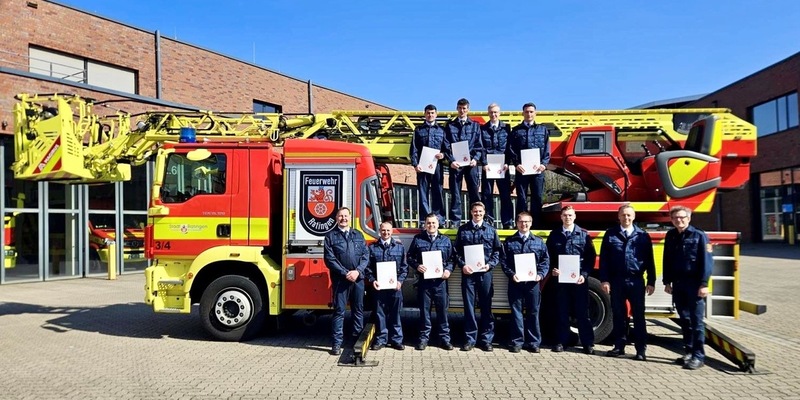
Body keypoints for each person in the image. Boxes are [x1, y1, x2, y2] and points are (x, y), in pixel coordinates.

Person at [599, 204, 656, 361]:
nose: (626, 218)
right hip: (617, 280)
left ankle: (640, 350)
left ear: (634, 217)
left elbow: (650, 260)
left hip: (636, 280)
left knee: (638, 316)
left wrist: (651, 281)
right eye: (623, 215)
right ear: (618, 217)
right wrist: (604, 279)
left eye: (629, 215)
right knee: (619, 315)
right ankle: (619, 346)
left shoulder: (642, 236)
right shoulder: (611, 234)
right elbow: (604, 260)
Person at [663, 205, 714, 370]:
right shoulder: (671, 236)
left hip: (694, 285)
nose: (679, 220)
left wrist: (704, 284)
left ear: (689, 218)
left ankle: (699, 356)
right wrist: (667, 282)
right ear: (671, 220)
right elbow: (667, 260)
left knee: (697, 322)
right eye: (675, 218)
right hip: (678, 284)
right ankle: (689, 352)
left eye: (682, 217)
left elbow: (707, 262)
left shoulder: (699, 236)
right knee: (684, 320)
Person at [546, 206, 597, 355]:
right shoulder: (554, 235)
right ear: (561, 217)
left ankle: (588, 343)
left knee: (582, 313)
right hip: (561, 281)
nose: (567, 218)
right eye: (564, 215)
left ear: (574, 217)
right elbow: (548, 256)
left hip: (579, 281)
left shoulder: (583, 235)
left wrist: (585, 274)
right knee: (562, 312)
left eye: (570, 215)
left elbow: (590, 257)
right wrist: (553, 269)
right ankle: (562, 342)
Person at [454, 201, 502, 352]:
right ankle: (470, 339)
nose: (478, 214)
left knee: (486, 308)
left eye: (480, 212)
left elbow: (497, 251)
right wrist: (463, 265)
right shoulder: (463, 230)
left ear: (484, 212)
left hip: (485, 274)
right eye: (475, 211)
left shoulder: (491, 230)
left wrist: (490, 265)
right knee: (469, 308)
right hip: (468, 275)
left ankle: (486, 340)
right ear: (471, 212)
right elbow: (456, 252)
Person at [501, 211, 550, 353]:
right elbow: (504, 262)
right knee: (516, 313)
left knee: (533, 312)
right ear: (517, 223)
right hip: (515, 282)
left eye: (527, 221)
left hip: (532, 284)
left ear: (531, 223)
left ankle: (534, 342)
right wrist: (511, 274)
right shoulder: (510, 242)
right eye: (521, 221)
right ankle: (517, 342)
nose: (524, 224)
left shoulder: (539, 242)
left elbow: (545, 261)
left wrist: (540, 275)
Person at [323, 207, 369, 356]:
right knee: (339, 312)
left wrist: (358, 271)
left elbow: (365, 255)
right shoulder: (330, 236)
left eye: (346, 216)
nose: (343, 218)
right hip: (340, 281)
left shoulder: (358, 234)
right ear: (336, 218)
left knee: (358, 311)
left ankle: (356, 342)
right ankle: (336, 344)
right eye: (340, 216)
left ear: (350, 217)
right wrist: (345, 273)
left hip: (358, 279)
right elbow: (330, 259)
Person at [406, 213, 455, 351]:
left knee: (442, 312)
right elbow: (409, 257)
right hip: (424, 282)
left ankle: (445, 339)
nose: (431, 225)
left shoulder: (445, 240)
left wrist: (448, 270)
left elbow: (452, 259)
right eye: (428, 223)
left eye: (434, 223)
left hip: (440, 282)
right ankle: (423, 339)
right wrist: (417, 266)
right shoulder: (418, 239)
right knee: (424, 312)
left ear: (438, 224)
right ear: (425, 224)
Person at [365, 221, 408, 351]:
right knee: (380, 314)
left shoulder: (400, 248)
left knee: (395, 314)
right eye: (383, 230)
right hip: (379, 288)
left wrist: (400, 281)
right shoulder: (372, 248)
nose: (386, 233)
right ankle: (381, 339)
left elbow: (404, 268)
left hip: (395, 288)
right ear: (379, 231)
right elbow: (367, 268)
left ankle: (396, 340)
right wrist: (373, 280)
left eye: (388, 230)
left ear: (392, 231)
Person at [507, 102, 551, 228]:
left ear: (535, 113)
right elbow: (511, 149)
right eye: (526, 112)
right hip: (522, 170)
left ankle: (536, 225)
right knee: (521, 197)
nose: (529, 114)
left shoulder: (542, 130)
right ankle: (520, 224)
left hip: (538, 170)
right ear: (523, 113)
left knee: (537, 197)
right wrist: (516, 164)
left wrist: (543, 164)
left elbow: (547, 149)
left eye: (531, 111)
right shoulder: (516, 131)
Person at [444, 98, 483, 227]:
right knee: (455, 193)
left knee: (474, 192)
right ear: (457, 109)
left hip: (471, 164)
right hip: (456, 165)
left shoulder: (475, 126)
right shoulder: (450, 126)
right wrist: (451, 160)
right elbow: (446, 145)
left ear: (468, 109)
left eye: (464, 108)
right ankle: (456, 221)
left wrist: (475, 159)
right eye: (460, 108)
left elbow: (479, 145)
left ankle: (477, 220)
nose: (462, 110)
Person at [410, 104, 446, 226]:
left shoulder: (442, 130)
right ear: (425, 114)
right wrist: (415, 165)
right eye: (428, 113)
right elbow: (414, 149)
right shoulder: (418, 130)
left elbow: (447, 148)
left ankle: (439, 220)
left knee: (437, 192)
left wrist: (443, 155)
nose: (430, 115)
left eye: (432, 113)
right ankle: (424, 220)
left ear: (436, 114)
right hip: (422, 166)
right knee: (423, 193)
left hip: (437, 166)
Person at [480, 103, 514, 229]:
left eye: (496, 112)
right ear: (488, 113)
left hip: (502, 168)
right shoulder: (482, 129)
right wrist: (483, 163)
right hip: (487, 167)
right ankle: (489, 221)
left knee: (505, 195)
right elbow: (481, 147)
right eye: (491, 112)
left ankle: (507, 222)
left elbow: (510, 148)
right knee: (486, 195)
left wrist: (507, 163)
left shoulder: (507, 128)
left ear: (499, 113)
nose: (493, 114)